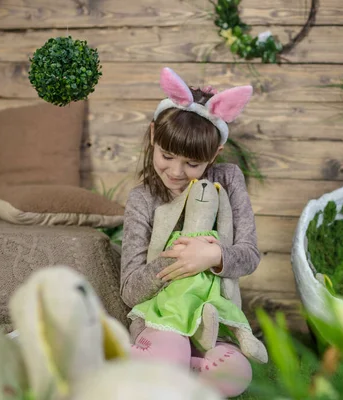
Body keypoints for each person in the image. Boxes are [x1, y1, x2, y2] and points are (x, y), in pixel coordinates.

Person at [120, 67, 261, 397]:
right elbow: (129, 290)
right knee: (171, 354)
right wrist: (178, 260)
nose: (176, 171)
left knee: (236, 375)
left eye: (192, 164)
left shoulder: (227, 180)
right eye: (167, 156)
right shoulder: (143, 199)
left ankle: (176, 372)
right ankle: (162, 365)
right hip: (159, 322)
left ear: (213, 155)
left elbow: (250, 254)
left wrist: (213, 255)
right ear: (154, 135)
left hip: (209, 324)